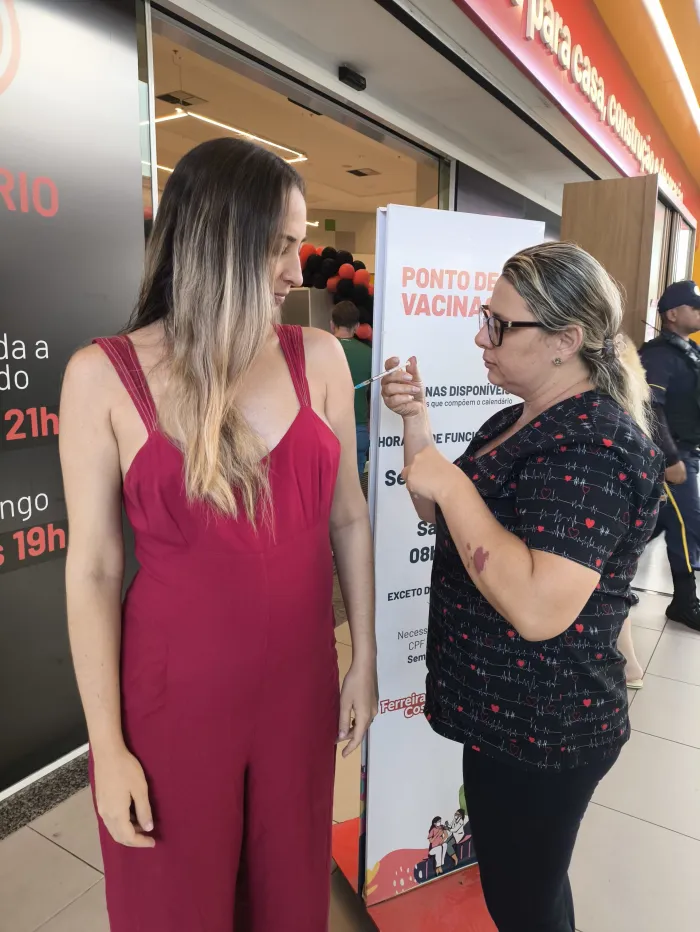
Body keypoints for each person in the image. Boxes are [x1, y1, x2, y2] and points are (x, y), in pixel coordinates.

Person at [59, 138, 377, 932]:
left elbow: (348, 517)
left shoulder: (323, 362)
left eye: (298, 244)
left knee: (288, 900)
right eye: (277, 246)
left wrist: (365, 655)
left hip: (298, 694)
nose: (296, 270)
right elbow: (93, 569)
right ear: (215, 241)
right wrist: (107, 746)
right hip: (169, 707)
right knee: (174, 906)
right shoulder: (104, 375)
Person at [382, 242, 663, 932]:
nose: (482, 336)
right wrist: (417, 425)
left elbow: (539, 608)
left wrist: (448, 481)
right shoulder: (516, 418)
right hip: (505, 719)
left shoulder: (596, 447)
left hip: (545, 729)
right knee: (526, 887)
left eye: (501, 326)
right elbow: (441, 511)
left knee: (523, 902)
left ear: (567, 341)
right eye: (487, 317)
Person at [639, 280, 700, 632]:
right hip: (673, 458)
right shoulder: (660, 354)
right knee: (688, 526)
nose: (699, 312)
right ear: (673, 314)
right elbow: (649, 407)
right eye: (694, 307)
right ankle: (684, 602)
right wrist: (670, 458)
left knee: (661, 523)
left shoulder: (687, 351)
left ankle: (600, 573)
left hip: (686, 452)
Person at [331, 300, 372, 477]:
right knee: (354, 489)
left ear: (332, 324)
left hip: (328, 428)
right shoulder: (369, 353)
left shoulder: (320, 349)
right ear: (356, 326)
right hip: (359, 429)